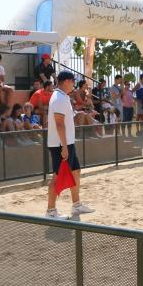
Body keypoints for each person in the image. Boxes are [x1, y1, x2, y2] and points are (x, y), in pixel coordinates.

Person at [46, 71, 94, 219]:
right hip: (61, 145)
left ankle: (76, 205)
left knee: (76, 171)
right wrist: (65, 147)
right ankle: (51, 211)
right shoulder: (59, 98)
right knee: (56, 177)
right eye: (73, 81)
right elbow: (59, 124)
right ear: (67, 81)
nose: (74, 84)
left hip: (66, 143)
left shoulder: (62, 96)